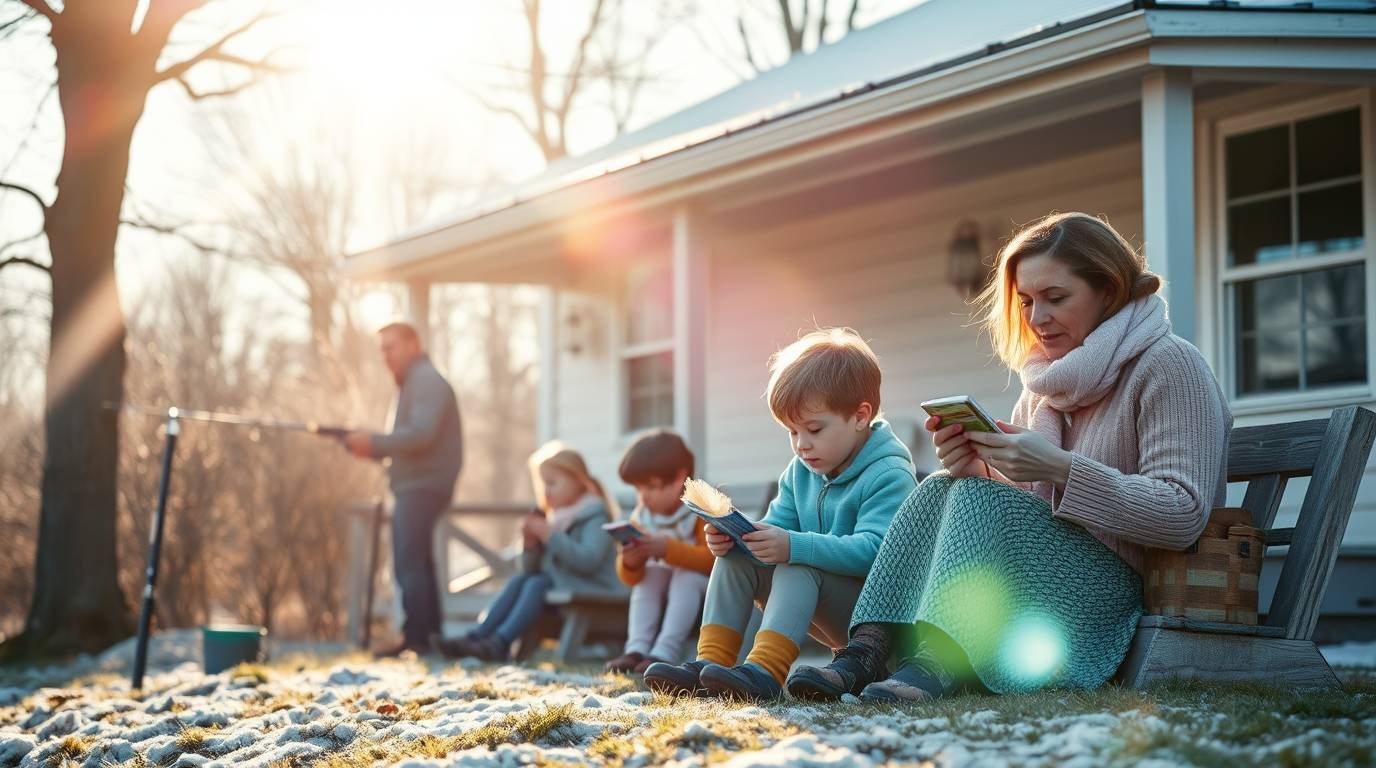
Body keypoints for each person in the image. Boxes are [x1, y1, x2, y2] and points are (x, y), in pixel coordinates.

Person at [788, 212, 1231, 702]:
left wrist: (1058, 468)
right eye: (1026, 302)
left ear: (1108, 289)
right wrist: (976, 469)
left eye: (1056, 299)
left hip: (1109, 598)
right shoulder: (1046, 385)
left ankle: (940, 662)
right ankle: (865, 652)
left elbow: (1182, 512)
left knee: (975, 496)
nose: (1037, 319)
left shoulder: (1169, 364)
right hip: (1039, 585)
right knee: (940, 484)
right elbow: (1024, 511)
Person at [642, 328, 917, 701]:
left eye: (814, 429)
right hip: (820, 596)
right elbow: (776, 529)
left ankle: (766, 672)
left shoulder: (889, 474)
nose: (802, 445)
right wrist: (734, 538)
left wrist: (793, 546)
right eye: (792, 432)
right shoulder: (800, 471)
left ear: (860, 415)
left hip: (871, 617)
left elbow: (877, 552)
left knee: (797, 562)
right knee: (737, 560)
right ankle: (707, 665)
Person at [439, 441, 624, 661]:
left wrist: (550, 536)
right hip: (564, 590)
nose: (546, 491)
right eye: (543, 484)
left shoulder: (595, 518)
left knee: (537, 583)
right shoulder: (556, 518)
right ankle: (477, 637)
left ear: (578, 481)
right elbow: (532, 569)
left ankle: (499, 643)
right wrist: (529, 546)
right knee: (522, 579)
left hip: (596, 595)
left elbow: (587, 561)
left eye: (552, 483)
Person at [345, 321, 463, 657]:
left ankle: (417, 639)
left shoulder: (425, 380)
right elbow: (412, 440)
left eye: (391, 347)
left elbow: (420, 435)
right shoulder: (415, 381)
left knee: (409, 561)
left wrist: (374, 443)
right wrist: (374, 450)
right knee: (420, 562)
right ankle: (429, 636)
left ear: (413, 345)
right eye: (381, 349)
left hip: (423, 486)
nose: (385, 356)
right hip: (418, 483)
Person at [605, 430, 714, 674]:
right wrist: (631, 563)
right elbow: (631, 579)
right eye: (638, 489)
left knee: (685, 576)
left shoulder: (701, 510)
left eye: (651, 487)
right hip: (664, 586)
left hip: (707, 587)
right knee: (650, 575)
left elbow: (713, 561)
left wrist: (669, 550)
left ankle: (665, 652)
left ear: (679, 478)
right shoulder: (643, 516)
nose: (644, 496)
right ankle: (637, 649)